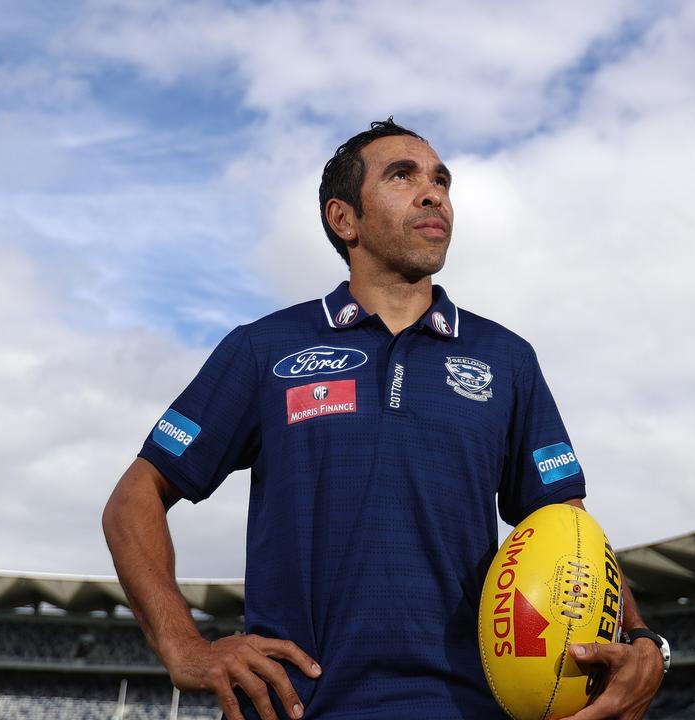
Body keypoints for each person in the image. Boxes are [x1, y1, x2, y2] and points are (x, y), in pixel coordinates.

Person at [102, 118, 666, 720]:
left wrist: (643, 640)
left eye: (441, 181)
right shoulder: (264, 349)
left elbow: (569, 532)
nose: (434, 194)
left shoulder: (506, 359)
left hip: (467, 709)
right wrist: (184, 647)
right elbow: (134, 498)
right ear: (344, 220)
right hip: (297, 707)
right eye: (404, 176)